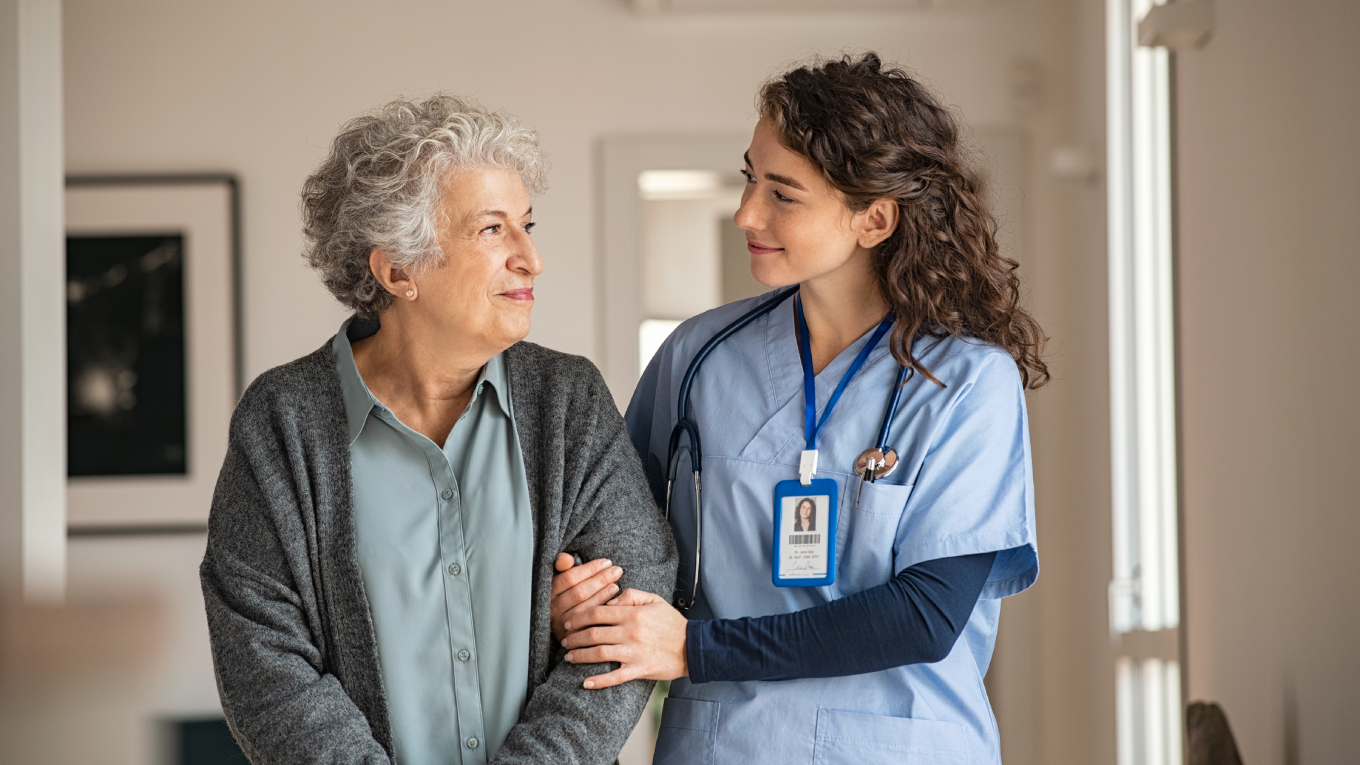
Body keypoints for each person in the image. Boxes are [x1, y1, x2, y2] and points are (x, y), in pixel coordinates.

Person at [549, 53, 1047, 765]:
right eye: (751, 177)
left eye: (783, 193)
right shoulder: (698, 357)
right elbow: (612, 538)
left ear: (873, 219)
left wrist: (694, 647)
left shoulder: (966, 384)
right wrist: (581, 596)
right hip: (723, 746)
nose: (746, 211)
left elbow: (926, 614)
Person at [200, 94, 676, 765]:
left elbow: (632, 612)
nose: (531, 258)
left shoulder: (569, 402)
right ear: (397, 270)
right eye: (492, 230)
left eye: (526, 225)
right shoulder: (281, 423)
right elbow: (266, 665)